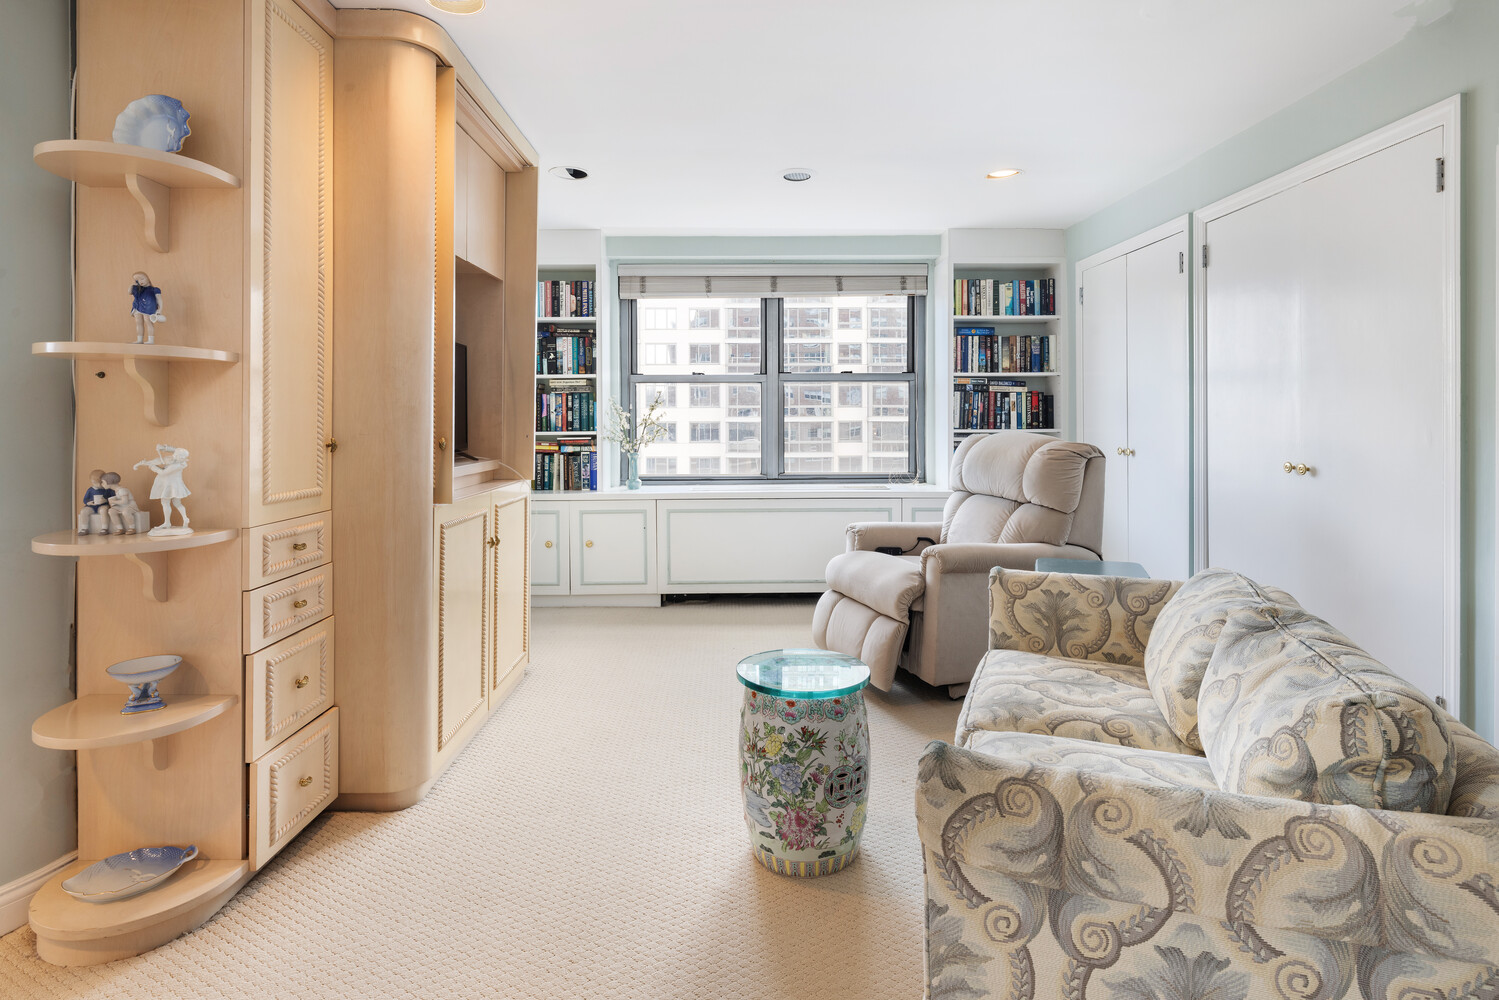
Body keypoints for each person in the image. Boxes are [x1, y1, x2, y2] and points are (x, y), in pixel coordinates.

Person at [134, 445, 191, 534]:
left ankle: (167, 522)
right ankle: (185, 518)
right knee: (177, 503)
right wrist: (164, 448)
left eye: (175, 456)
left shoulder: (176, 465)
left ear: (179, 457)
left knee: (165, 502)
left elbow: (163, 473)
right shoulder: (181, 459)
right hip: (176, 485)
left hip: (169, 485)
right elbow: (175, 450)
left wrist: (152, 466)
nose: (173, 457)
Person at [130, 271, 165, 345]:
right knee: (138, 323)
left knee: (148, 322)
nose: (140, 281)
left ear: (147, 278)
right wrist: (133, 285)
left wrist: (160, 310)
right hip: (137, 306)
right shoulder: (138, 290)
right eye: (137, 280)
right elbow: (129, 292)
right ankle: (139, 339)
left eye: (142, 279)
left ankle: (150, 340)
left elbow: (159, 300)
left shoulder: (154, 290)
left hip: (148, 308)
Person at [77, 469, 113, 534]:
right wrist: (89, 502)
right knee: (83, 511)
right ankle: (84, 528)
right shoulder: (90, 490)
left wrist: (106, 500)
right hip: (92, 506)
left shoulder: (107, 489)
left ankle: (104, 528)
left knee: (103, 510)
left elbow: (113, 497)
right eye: (93, 482)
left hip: (103, 505)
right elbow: (85, 499)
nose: (94, 484)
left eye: (96, 483)